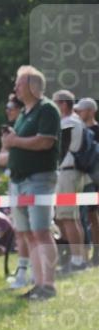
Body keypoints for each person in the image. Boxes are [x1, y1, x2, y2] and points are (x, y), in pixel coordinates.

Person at [0, 65, 61, 300]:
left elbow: (46, 142)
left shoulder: (47, 109)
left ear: (32, 86)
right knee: (27, 234)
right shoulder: (24, 112)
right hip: (19, 181)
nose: (15, 87)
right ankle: (39, 284)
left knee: (41, 232)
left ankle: (48, 285)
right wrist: (11, 143)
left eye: (19, 83)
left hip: (38, 179)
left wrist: (14, 141)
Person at [0, 94, 34, 288]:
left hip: (32, 182)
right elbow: (1, 159)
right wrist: (8, 146)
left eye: (11, 106)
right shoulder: (11, 132)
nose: (8, 110)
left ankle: (37, 271)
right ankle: (23, 271)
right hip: (15, 183)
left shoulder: (28, 127)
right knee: (21, 231)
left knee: (35, 231)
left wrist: (13, 147)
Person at [53, 90, 89, 272]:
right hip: (71, 172)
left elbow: (57, 149)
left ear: (64, 104)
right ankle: (78, 258)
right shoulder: (76, 122)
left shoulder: (68, 123)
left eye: (56, 103)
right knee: (69, 217)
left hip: (68, 172)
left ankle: (77, 260)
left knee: (68, 217)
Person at [74, 97, 99, 265]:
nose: (77, 113)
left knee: (94, 216)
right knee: (89, 216)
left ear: (90, 111)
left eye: (80, 110)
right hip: (84, 180)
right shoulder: (79, 132)